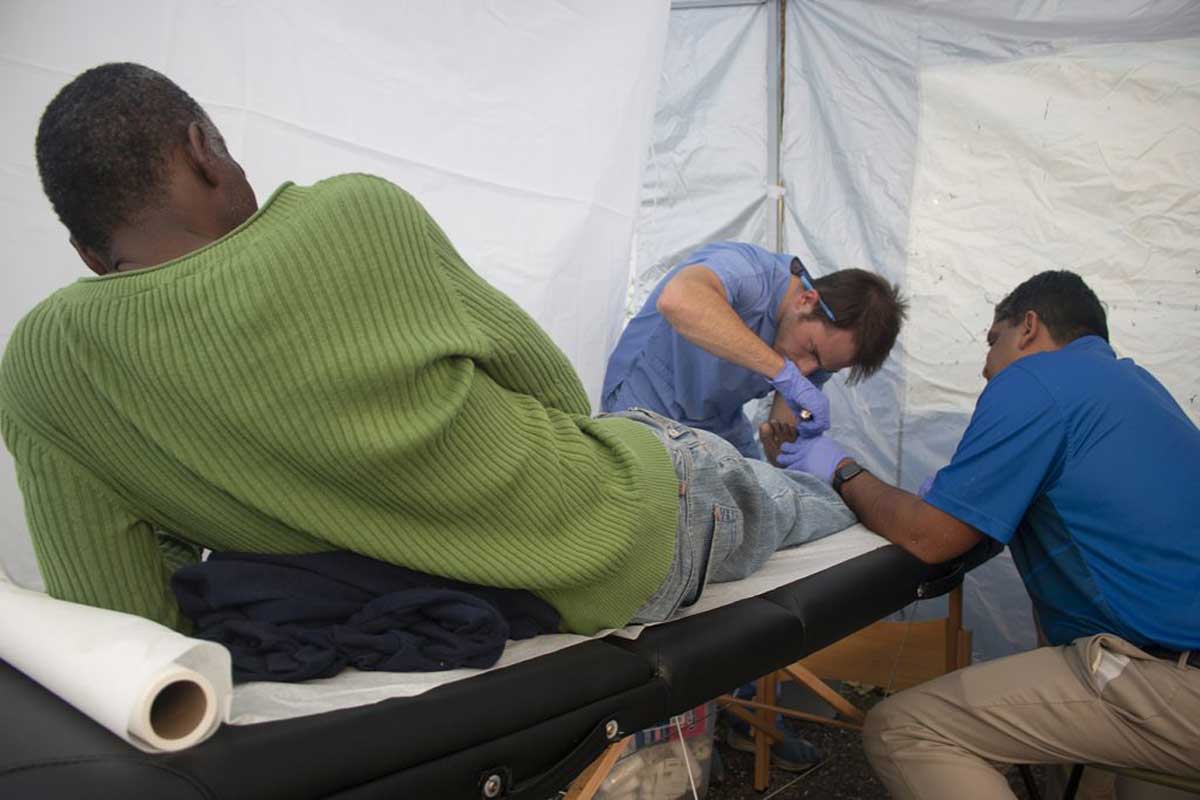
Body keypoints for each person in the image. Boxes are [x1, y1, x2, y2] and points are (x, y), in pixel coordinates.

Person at [0, 63, 857, 638]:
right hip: (636, 515)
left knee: (794, 492)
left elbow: (118, 615)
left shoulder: (40, 371)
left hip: (627, 500)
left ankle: (845, 485)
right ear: (204, 151)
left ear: (85, 254)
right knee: (799, 508)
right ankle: (857, 490)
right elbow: (552, 392)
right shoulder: (349, 215)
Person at [778, 271, 1200, 799]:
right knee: (1131, 785)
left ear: (1028, 328)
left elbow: (930, 537)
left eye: (990, 341)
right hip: (1175, 662)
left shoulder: (1036, 381)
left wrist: (840, 469)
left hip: (1171, 678)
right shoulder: (1136, 386)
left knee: (906, 728)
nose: (984, 367)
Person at [601, 241, 907, 461]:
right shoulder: (748, 272)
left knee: (768, 502)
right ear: (807, 301)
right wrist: (780, 371)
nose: (806, 370)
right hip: (646, 405)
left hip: (717, 425)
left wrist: (795, 445)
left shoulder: (818, 356)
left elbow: (780, 432)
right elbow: (678, 301)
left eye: (825, 367)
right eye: (811, 351)